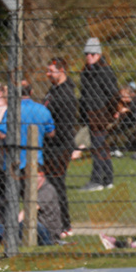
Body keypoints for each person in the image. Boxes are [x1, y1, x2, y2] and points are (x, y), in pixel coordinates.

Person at [43, 57, 79, 238]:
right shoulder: (53, 91)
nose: (48, 74)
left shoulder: (66, 94)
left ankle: (65, 224)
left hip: (59, 146)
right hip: (48, 146)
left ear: (62, 70)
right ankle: (53, 221)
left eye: (51, 70)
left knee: (57, 184)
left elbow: (66, 125)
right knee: (50, 184)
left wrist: (52, 134)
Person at [79, 37, 119, 191]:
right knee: (101, 148)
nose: (89, 56)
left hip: (101, 115)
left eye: (92, 54)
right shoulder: (86, 72)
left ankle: (97, 180)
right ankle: (108, 179)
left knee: (97, 147)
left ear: (99, 54)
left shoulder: (104, 71)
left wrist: (112, 113)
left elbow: (112, 94)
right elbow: (84, 95)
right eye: (87, 53)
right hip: (90, 115)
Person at [0, 172, 62, 246]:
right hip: (27, 227)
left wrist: (13, 225)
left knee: (25, 223)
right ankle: (10, 239)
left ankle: (9, 239)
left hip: (47, 230)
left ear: (41, 175)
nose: (27, 178)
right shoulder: (30, 189)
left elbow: (30, 210)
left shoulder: (47, 189)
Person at [0, 81, 56, 176]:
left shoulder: (12, 110)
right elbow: (51, 133)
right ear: (31, 92)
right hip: (36, 157)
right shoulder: (42, 110)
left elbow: (2, 134)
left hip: (15, 158)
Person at [110, 83, 136, 157]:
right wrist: (118, 112)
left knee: (124, 133)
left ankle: (119, 148)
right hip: (124, 122)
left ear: (131, 94)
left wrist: (127, 109)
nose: (122, 98)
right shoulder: (122, 102)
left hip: (134, 122)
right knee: (115, 129)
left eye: (124, 96)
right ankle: (114, 149)